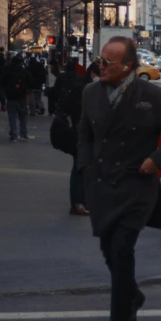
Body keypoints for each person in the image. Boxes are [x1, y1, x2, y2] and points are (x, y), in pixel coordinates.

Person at [77, 36, 161, 321]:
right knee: (107, 249)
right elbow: (85, 135)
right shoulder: (90, 93)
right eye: (100, 60)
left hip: (135, 187)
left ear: (128, 67)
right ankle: (134, 295)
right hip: (102, 185)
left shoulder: (152, 97)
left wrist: (156, 160)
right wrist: (86, 169)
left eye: (107, 63)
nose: (99, 66)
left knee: (121, 250)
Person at [54, 60, 89, 216]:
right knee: (80, 168)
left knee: (82, 168)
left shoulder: (78, 87)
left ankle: (81, 201)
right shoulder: (82, 89)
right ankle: (78, 202)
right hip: (83, 135)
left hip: (82, 133)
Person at [0, 56, 32, 141]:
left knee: (12, 115)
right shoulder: (23, 71)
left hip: (10, 96)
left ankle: (14, 134)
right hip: (22, 96)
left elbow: (1, 82)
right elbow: (31, 81)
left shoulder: (8, 71)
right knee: (23, 115)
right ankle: (23, 133)